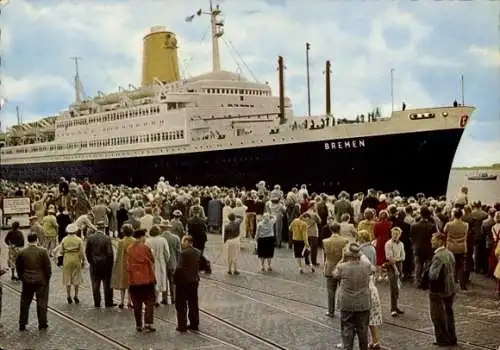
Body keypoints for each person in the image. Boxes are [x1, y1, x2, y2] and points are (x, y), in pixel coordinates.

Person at [333, 242, 373, 350]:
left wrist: (342, 259)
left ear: (348, 255)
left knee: (347, 329)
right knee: (363, 330)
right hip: (363, 303)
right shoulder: (367, 266)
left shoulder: (342, 267)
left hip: (347, 303)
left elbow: (334, 274)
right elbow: (372, 271)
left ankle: (348, 348)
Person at [426, 232, 457, 347]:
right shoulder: (449, 253)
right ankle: (452, 337)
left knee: (437, 315)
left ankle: (442, 339)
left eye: (433, 239)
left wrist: (428, 269)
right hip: (450, 288)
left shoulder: (438, 256)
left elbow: (433, 276)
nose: (431, 241)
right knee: (449, 314)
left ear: (440, 241)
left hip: (439, 290)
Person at [16, 233, 52, 331]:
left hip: (27, 279)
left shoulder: (22, 252)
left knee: (25, 302)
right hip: (41, 280)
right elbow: (48, 267)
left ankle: (22, 323)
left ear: (28, 240)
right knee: (42, 302)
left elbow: (18, 266)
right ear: (36, 240)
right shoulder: (43, 251)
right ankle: (42, 323)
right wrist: (47, 278)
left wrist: (21, 277)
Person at [127, 228, 156, 332]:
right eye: (145, 236)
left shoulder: (130, 248)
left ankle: (138, 324)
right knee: (149, 302)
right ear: (142, 237)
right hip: (146, 278)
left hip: (133, 280)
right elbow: (152, 259)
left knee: (137, 304)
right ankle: (148, 323)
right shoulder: (145, 247)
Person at [174, 235, 201, 332]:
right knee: (193, 303)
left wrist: (175, 279)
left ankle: (182, 325)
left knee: (181, 304)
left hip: (183, 282)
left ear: (186, 242)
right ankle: (194, 323)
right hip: (194, 281)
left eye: (183, 241)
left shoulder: (183, 253)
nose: (181, 243)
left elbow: (179, 268)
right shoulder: (198, 252)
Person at [85, 221, 115, 308]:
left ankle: (97, 302)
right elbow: (110, 253)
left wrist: (91, 261)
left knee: (95, 284)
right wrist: (110, 264)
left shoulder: (90, 238)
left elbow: (87, 252)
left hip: (94, 264)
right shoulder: (107, 238)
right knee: (107, 284)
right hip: (105, 264)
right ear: (103, 228)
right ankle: (108, 302)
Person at [322, 222, 348, 317]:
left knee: (330, 291)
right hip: (342, 269)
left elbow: (324, 256)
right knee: (344, 290)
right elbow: (346, 256)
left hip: (330, 267)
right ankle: (343, 310)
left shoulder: (325, 241)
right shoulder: (345, 241)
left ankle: (331, 311)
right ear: (339, 229)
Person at [111, 224, 135, 308]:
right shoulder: (134, 241)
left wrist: (116, 263)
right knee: (130, 283)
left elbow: (118, 254)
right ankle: (129, 301)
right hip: (132, 264)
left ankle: (121, 301)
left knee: (122, 283)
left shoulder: (121, 242)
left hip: (122, 264)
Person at [60, 223, 85, 304]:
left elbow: (61, 251)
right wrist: (83, 260)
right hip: (76, 259)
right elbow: (81, 252)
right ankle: (76, 296)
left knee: (67, 278)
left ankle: (68, 296)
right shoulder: (79, 240)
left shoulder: (64, 239)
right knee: (76, 278)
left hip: (67, 259)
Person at [385, 227, 405, 317]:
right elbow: (389, 257)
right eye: (393, 234)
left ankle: (396, 306)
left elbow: (403, 256)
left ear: (400, 235)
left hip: (399, 264)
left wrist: (399, 262)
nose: (395, 236)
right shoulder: (388, 244)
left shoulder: (401, 244)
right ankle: (393, 308)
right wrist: (396, 269)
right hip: (392, 266)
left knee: (397, 287)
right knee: (393, 287)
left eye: (397, 234)